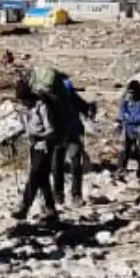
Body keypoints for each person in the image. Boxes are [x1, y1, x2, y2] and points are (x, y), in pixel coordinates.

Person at [14, 83, 59, 223]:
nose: (22, 103)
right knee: (42, 178)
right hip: (33, 146)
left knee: (34, 174)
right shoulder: (23, 109)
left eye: (23, 100)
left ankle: (24, 207)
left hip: (45, 146)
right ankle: (51, 209)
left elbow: (51, 130)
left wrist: (38, 136)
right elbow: (25, 127)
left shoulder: (42, 107)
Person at [51, 77, 94, 207]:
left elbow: (87, 109)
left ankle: (74, 195)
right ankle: (60, 195)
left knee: (74, 165)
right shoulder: (51, 101)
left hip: (72, 135)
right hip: (59, 137)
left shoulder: (73, 99)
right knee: (58, 166)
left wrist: (90, 109)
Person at [117, 80, 140, 189]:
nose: (131, 95)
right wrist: (125, 118)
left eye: (133, 93)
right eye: (130, 92)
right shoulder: (126, 97)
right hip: (128, 127)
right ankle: (120, 173)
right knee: (124, 150)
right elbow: (122, 110)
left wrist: (129, 120)